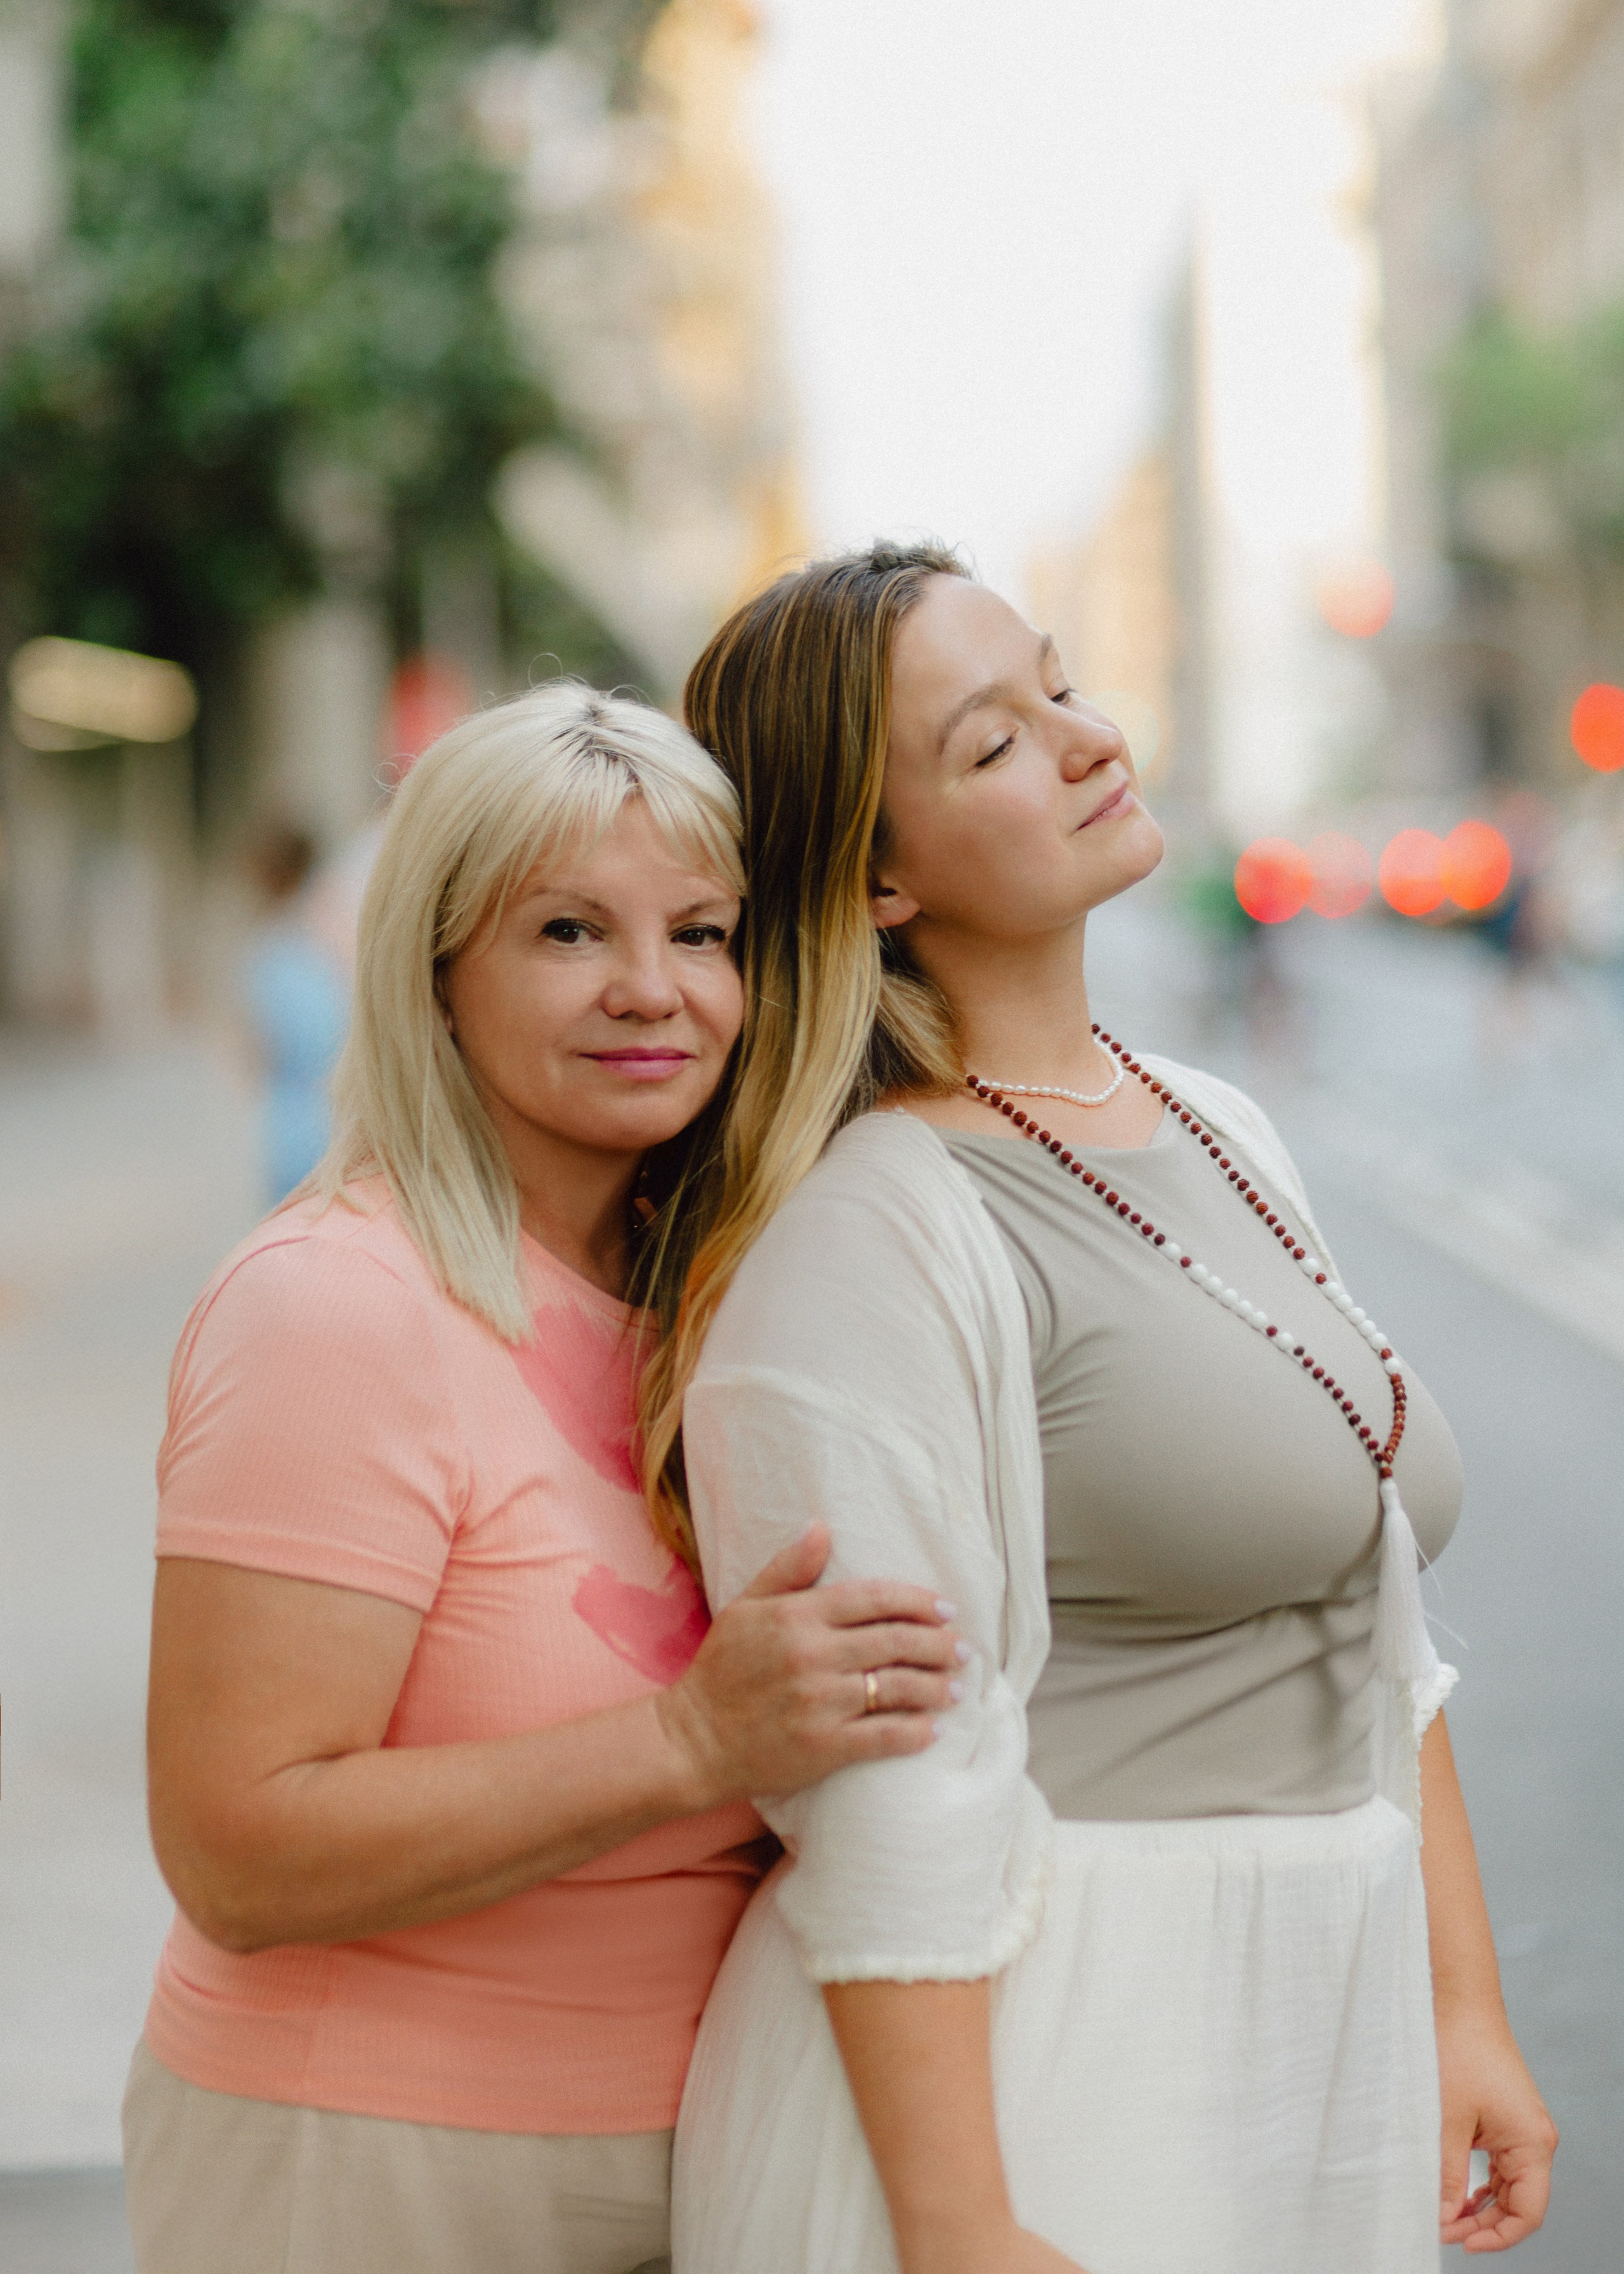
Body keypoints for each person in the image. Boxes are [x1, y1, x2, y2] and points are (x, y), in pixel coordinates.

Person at [646, 547, 1557, 2273]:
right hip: (1061, 2069)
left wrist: (1463, 2005)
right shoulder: (870, 1226)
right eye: (990, 744)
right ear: (874, 873)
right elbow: (882, 1772)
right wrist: (958, 2227)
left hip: (1311, 2039)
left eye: (1059, 685)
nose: (1082, 740)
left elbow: (1376, 1617)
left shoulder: (1210, 1122)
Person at [122, 683, 964, 2274]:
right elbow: (236, 1849)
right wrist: (687, 1735)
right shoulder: (335, 1307)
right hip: (374, 2166)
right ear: (435, 974)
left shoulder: (714, 1294)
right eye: (567, 932)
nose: (651, 991)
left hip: (711, 2145)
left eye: (702, 935)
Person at [240, 823, 350, 1205]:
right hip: (340, 1115)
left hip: (288, 1123)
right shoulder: (335, 933)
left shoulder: (265, 951)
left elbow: (255, 1054)